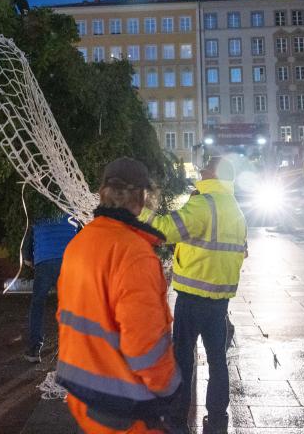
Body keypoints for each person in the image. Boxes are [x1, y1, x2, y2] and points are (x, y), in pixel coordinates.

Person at [56, 157, 180, 433]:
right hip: (122, 408)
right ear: (141, 197)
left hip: (82, 395)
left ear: (102, 194)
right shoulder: (133, 254)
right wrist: (171, 388)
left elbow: (64, 314)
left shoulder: (80, 242)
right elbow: (145, 345)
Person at [141, 156, 247, 434]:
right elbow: (241, 251)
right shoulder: (234, 208)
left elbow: (164, 229)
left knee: (183, 361)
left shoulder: (204, 204)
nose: (201, 169)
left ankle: (177, 420)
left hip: (192, 296)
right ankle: (218, 421)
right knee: (217, 361)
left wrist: (137, 210)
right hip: (219, 299)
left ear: (216, 174)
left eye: (207, 166)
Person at [22, 213, 78, 362]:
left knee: (38, 305)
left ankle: (34, 350)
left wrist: (29, 259)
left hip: (44, 263)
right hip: (69, 262)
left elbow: (27, 248)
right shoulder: (71, 213)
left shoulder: (38, 215)